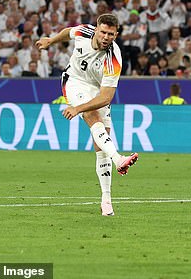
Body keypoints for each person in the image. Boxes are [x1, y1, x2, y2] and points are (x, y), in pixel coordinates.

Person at [35, 13, 139, 217]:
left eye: (111, 34)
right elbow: (67, 33)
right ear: (97, 29)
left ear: (116, 34)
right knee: (91, 115)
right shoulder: (84, 31)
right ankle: (118, 159)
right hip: (73, 81)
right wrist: (51, 40)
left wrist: (77, 109)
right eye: (103, 32)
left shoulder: (114, 59)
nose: (106, 37)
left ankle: (106, 200)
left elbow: (106, 97)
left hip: (97, 91)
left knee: (101, 146)